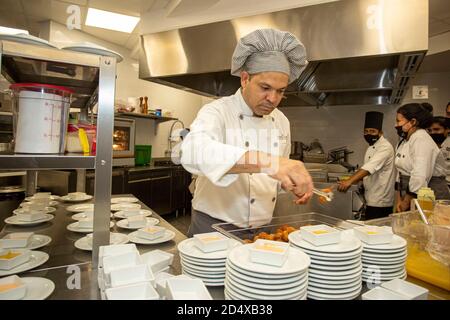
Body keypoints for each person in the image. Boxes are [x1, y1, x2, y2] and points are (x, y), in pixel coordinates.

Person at [180, 29, 312, 236]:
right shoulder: (218, 111)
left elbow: (274, 175)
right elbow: (191, 152)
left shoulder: (281, 121)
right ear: (244, 79)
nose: (273, 99)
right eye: (265, 87)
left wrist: (289, 183)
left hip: (261, 230)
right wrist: (269, 162)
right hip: (213, 229)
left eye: (281, 91)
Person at [337, 112, 395, 219]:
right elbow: (367, 168)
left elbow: (369, 168)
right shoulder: (371, 146)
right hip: (371, 197)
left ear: (380, 133)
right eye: (366, 131)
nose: (369, 134)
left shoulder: (385, 147)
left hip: (380, 200)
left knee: (376, 232)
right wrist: (355, 179)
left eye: (372, 131)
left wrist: (349, 181)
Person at [395, 103, 450, 213]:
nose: (396, 125)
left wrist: (406, 201)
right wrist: (399, 198)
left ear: (412, 122)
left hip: (429, 196)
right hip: (410, 194)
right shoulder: (406, 140)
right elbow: (400, 172)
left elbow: (419, 175)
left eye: (398, 121)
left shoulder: (421, 139)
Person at [428, 116, 450, 187]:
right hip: (433, 184)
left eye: (436, 129)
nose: (433, 133)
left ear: (447, 130)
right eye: (430, 130)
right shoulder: (428, 144)